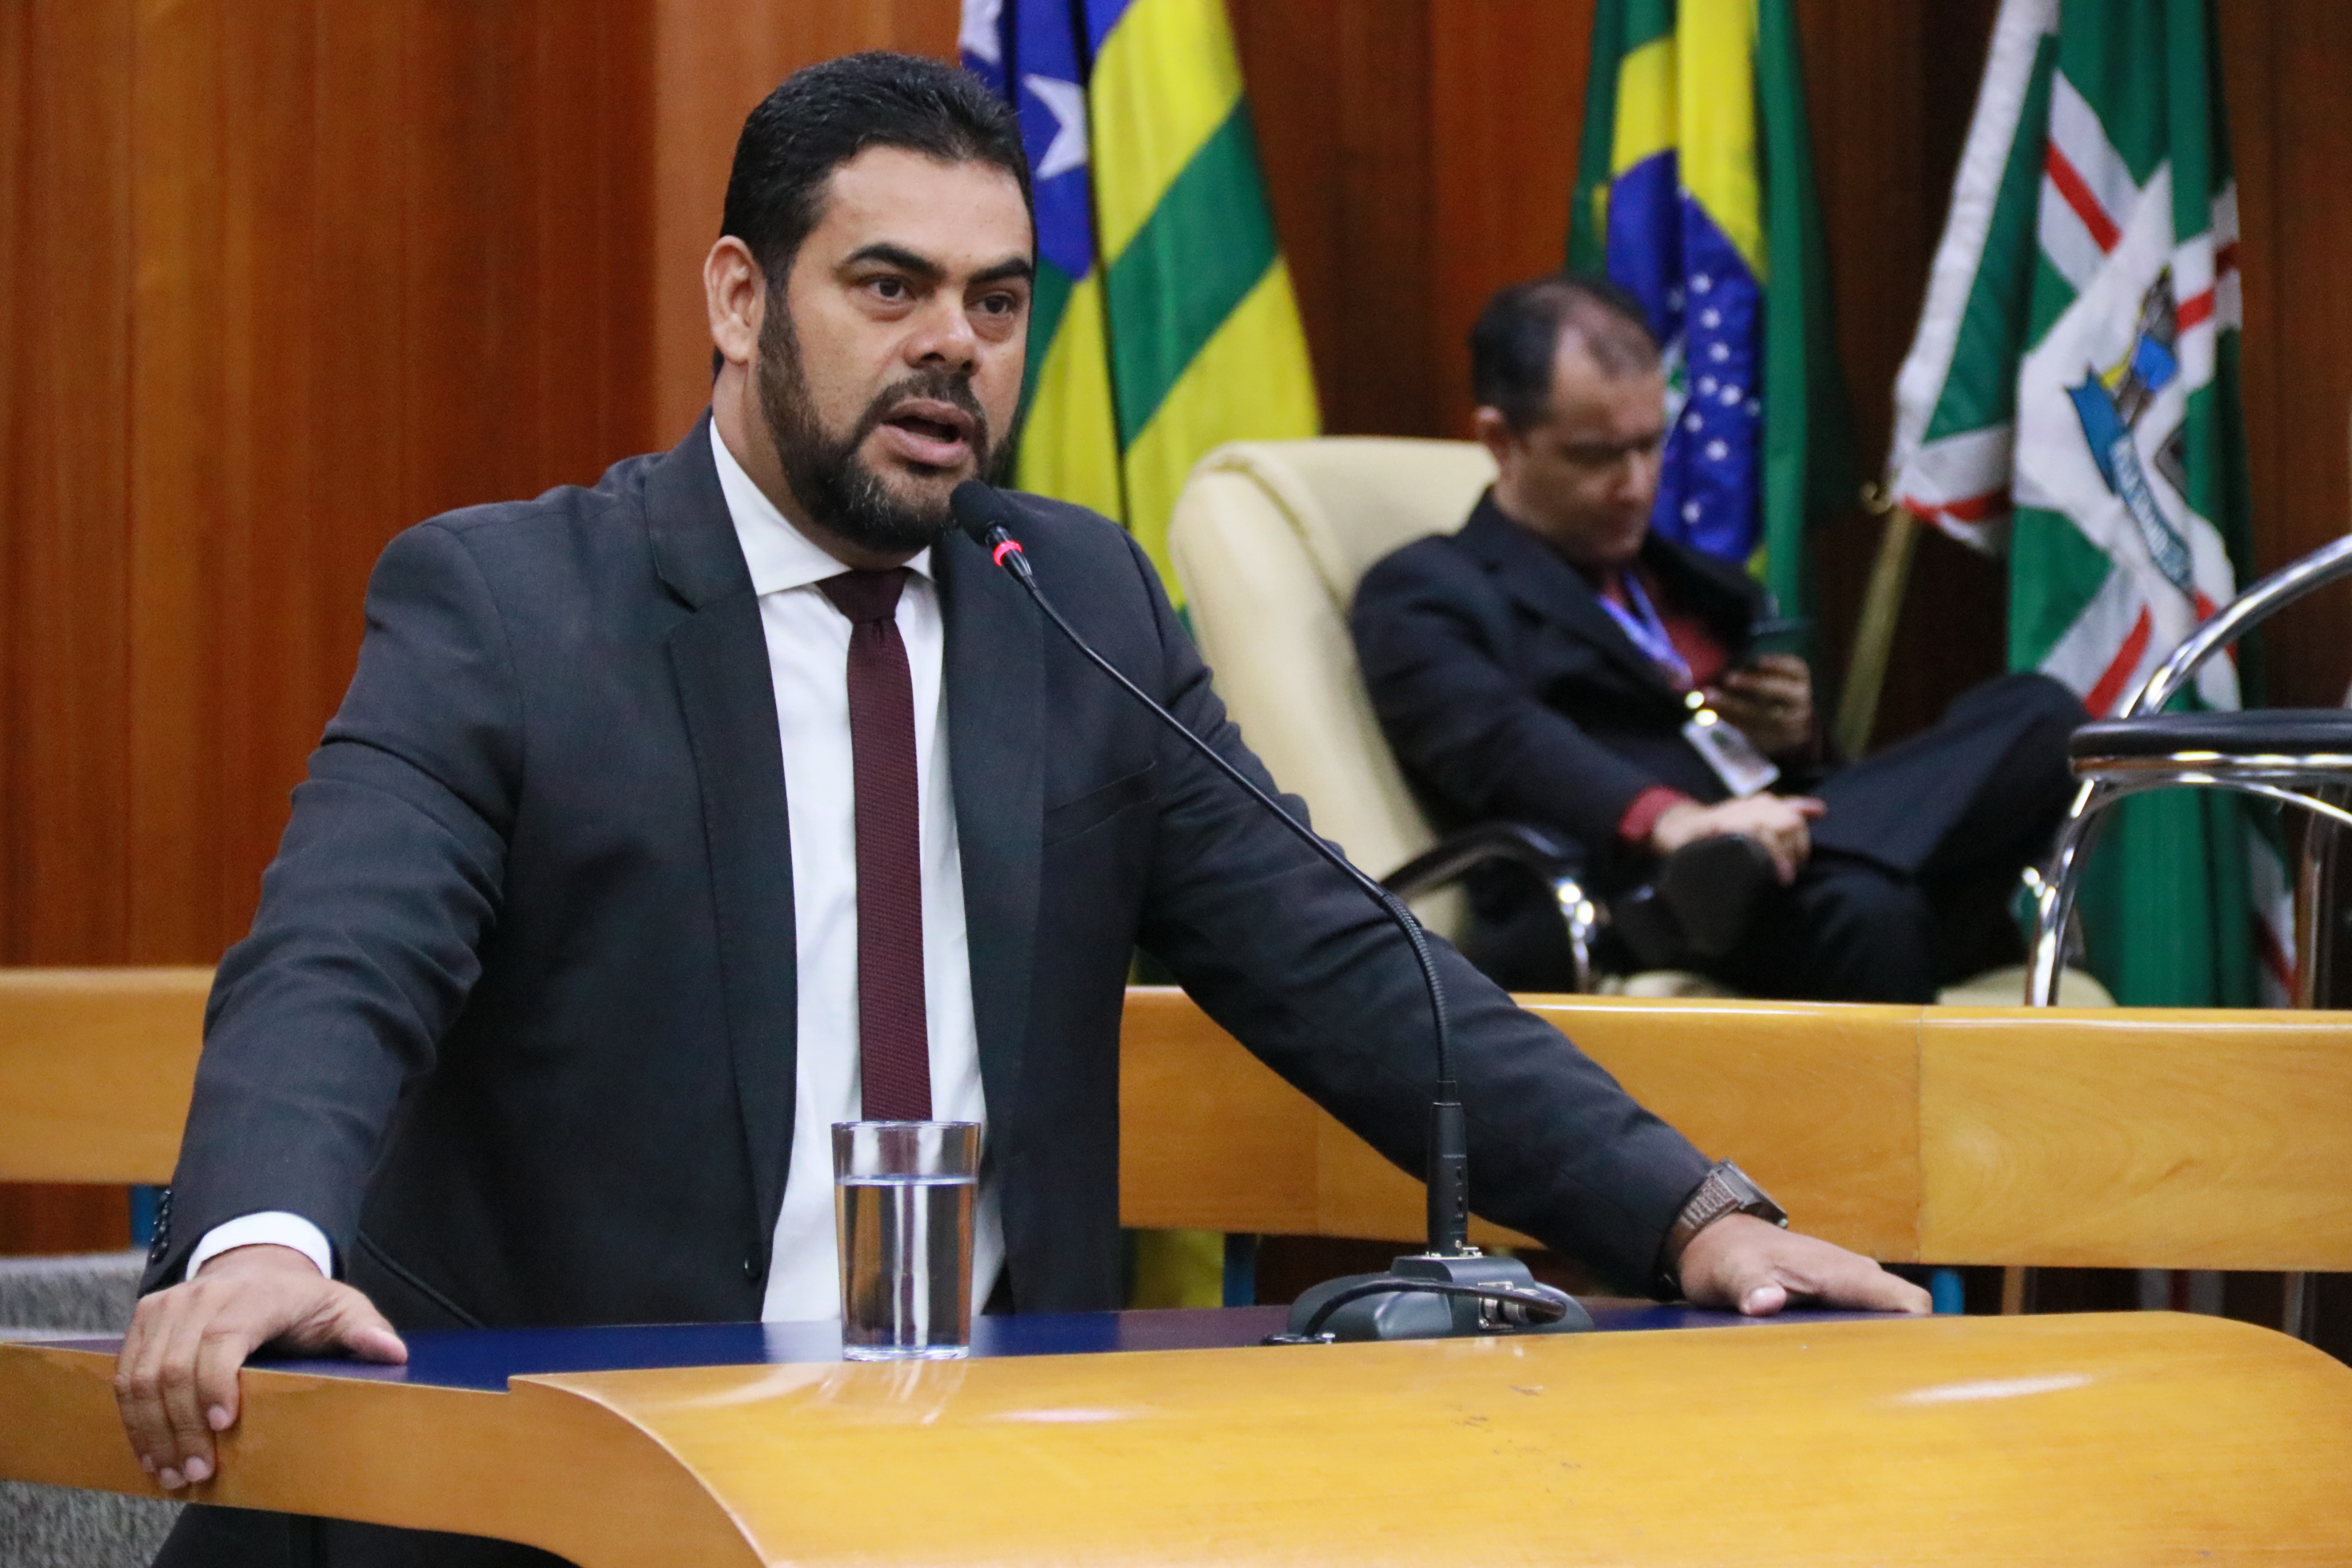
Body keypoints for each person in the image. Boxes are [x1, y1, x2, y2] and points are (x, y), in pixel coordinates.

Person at [115, 59, 1928, 1566]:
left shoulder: (1075, 601)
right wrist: (260, 1240)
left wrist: (1688, 1214)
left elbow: (1342, 959)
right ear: (739, 300)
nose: (953, 348)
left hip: (970, 1485)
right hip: (563, 1484)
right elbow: (342, 951)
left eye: (996, 304)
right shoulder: (514, 605)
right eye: (887, 287)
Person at [1351, 274, 2085, 1003]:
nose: (1637, 484)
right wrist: (1675, 821)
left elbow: (1797, 777)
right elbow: (1504, 743)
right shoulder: (1426, 592)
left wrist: (1797, 740)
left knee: (2043, 714)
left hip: (1787, 877)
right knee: (1865, 907)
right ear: (1500, 440)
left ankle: (1748, 861)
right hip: (1631, 890)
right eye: (1597, 456)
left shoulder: (1702, 585)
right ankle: (1728, 865)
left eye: (1650, 445)